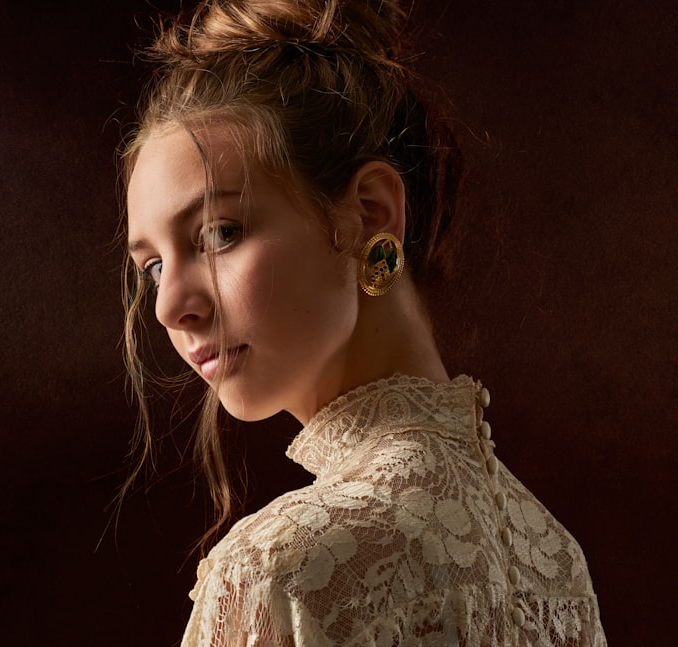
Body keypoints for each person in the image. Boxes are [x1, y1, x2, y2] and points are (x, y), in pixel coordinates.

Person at [119, 0, 606, 644]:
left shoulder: (277, 573)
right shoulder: (555, 563)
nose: (169, 304)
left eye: (219, 232)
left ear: (372, 214)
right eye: (153, 266)